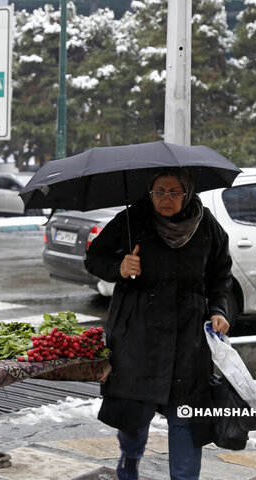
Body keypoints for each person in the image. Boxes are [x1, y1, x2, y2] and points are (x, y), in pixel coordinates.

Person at [84, 167, 232, 480]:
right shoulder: (132, 219)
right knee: (135, 412)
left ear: (188, 192)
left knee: (186, 416)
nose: (165, 198)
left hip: (188, 335)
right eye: (159, 191)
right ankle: (130, 460)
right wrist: (120, 266)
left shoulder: (206, 225)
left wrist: (218, 309)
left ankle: (184, 477)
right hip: (138, 331)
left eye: (174, 191)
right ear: (149, 192)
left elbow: (220, 274)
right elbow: (95, 257)